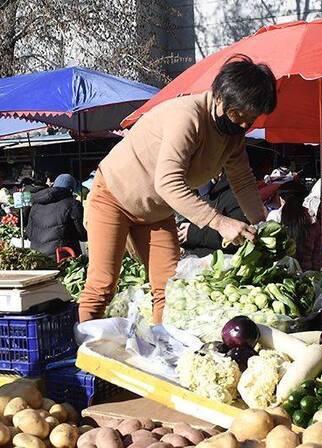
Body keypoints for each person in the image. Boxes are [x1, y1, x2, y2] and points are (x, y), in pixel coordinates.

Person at [78, 55, 277, 324]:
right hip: (113, 197)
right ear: (219, 97)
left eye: (250, 120)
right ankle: (85, 355)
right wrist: (219, 222)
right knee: (102, 285)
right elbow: (168, 182)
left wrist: (262, 226)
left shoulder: (233, 136)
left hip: (156, 211)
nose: (243, 125)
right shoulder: (187, 117)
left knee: (168, 287)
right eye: (238, 115)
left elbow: (242, 179)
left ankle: (161, 349)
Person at [177, 173, 248, 257]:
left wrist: (192, 234)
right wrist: (179, 230)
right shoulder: (205, 195)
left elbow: (237, 239)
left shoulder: (233, 193)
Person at [26, 174, 87, 258]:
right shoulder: (73, 204)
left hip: (37, 256)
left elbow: (29, 233)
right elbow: (82, 234)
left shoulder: (36, 204)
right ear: (71, 189)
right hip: (62, 256)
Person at [272, 181, 322, 271]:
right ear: (303, 198)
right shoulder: (312, 219)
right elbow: (317, 256)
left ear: (281, 199)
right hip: (307, 275)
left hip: (280, 274)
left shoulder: (274, 217)